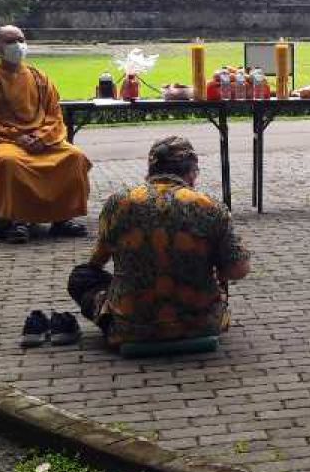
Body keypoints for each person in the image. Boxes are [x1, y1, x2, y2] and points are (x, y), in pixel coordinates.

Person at [67, 136, 250, 350]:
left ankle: (122, 319)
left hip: (131, 326)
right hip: (200, 324)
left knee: (82, 276)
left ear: (150, 170)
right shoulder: (211, 207)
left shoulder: (119, 204)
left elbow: (96, 263)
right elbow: (239, 269)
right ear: (192, 172)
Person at [0, 25, 91, 243]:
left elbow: (55, 115)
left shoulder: (40, 77)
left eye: (21, 39)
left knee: (75, 157)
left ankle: (61, 218)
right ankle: (13, 221)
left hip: (43, 141)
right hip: (5, 140)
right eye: (10, 41)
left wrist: (42, 137)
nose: (17, 45)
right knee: (7, 161)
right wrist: (17, 137)